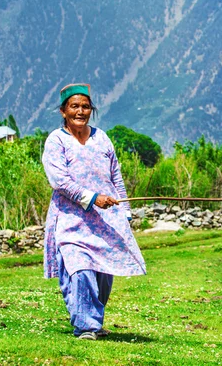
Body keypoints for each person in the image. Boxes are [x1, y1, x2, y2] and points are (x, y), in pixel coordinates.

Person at [42, 83, 146, 340]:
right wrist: (92, 198)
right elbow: (60, 181)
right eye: (74, 106)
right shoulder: (57, 141)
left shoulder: (102, 138)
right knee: (79, 270)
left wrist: (126, 211)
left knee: (102, 275)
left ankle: (92, 319)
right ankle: (86, 326)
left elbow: (116, 176)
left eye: (85, 106)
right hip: (71, 218)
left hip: (105, 219)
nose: (80, 111)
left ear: (92, 110)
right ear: (63, 111)